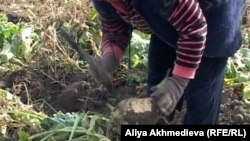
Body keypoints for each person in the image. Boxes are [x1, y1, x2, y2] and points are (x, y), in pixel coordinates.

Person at [89, 0, 246, 124]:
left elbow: (194, 27)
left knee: (200, 101)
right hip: (170, 17)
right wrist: (110, 57)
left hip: (214, 18)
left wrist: (177, 83)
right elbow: (114, 28)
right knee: (158, 90)